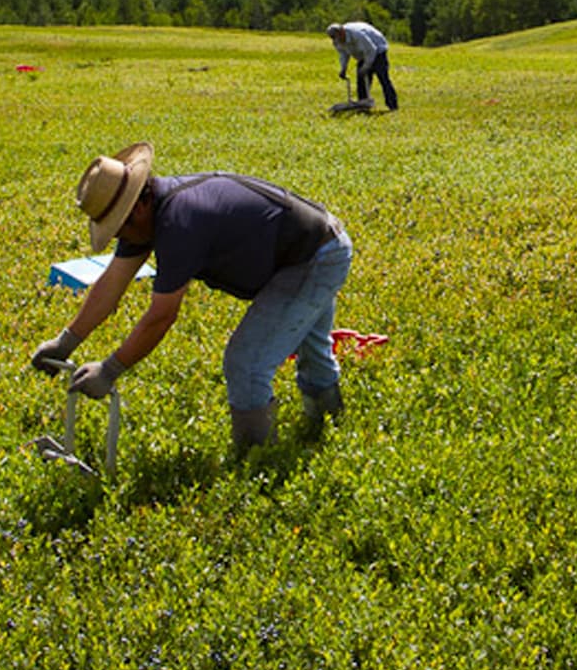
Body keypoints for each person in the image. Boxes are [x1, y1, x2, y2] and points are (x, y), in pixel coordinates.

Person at [31, 142, 352, 449]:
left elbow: (162, 316)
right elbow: (111, 283)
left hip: (313, 256)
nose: (118, 237)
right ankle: (327, 425)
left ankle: (258, 460)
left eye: (118, 228)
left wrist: (111, 369)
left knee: (246, 363)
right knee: (310, 345)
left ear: (138, 206)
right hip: (305, 247)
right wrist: (66, 341)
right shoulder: (147, 216)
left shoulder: (179, 222)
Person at [326, 21, 398, 110]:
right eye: (332, 38)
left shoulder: (358, 35)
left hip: (378, 49)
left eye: (335, 37)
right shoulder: (337, 41)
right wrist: (343, 68)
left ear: (341, 32)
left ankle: (392, 105)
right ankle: (363, 104)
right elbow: (343, 54)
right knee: (361, 78)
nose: (334, 40)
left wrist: (366, 66)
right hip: (362, 53)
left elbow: (371, 50)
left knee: (383, 77)